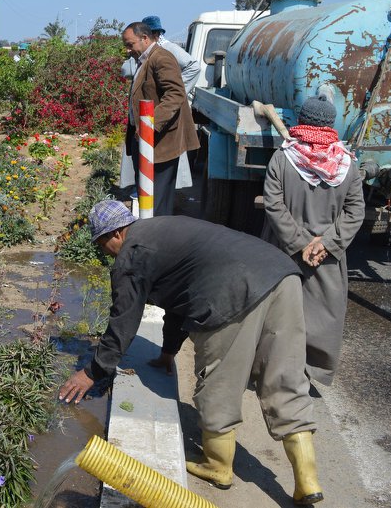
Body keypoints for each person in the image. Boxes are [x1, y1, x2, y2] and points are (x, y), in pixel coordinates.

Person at [59, 200, 323, 505]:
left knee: (219, 381)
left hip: (232, 289)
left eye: (101, 244)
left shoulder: (132, 253)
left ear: (115, 234)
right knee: (284, 378)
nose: (104, 252)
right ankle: (307, 479)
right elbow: (178, 302)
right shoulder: (164, 231)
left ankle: (218, 466)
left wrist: (92, 372)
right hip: (281, 275)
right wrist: (169, 351)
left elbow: (123, 321)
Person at [262, 94, 365, 387]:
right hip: (327, 255)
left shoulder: (283, 158)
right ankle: (309, 372)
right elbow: (355, 210)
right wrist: (327, 243)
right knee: (323, 312)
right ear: (332, 125)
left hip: (283, 249)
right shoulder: (346, 164)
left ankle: (274, 371)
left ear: (301, 121)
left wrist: (299, 242)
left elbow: (273, 205)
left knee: (278, 311)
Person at [122, 22, 199, 216]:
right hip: (146, 140)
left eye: (130, 44)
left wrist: (151, 124)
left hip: (159, 141)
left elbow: (175, 94)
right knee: (147, 197)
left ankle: (157, 240)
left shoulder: (162, 58)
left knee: (158, 201)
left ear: (145, 38)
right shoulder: (144, 59)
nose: (127, 49)